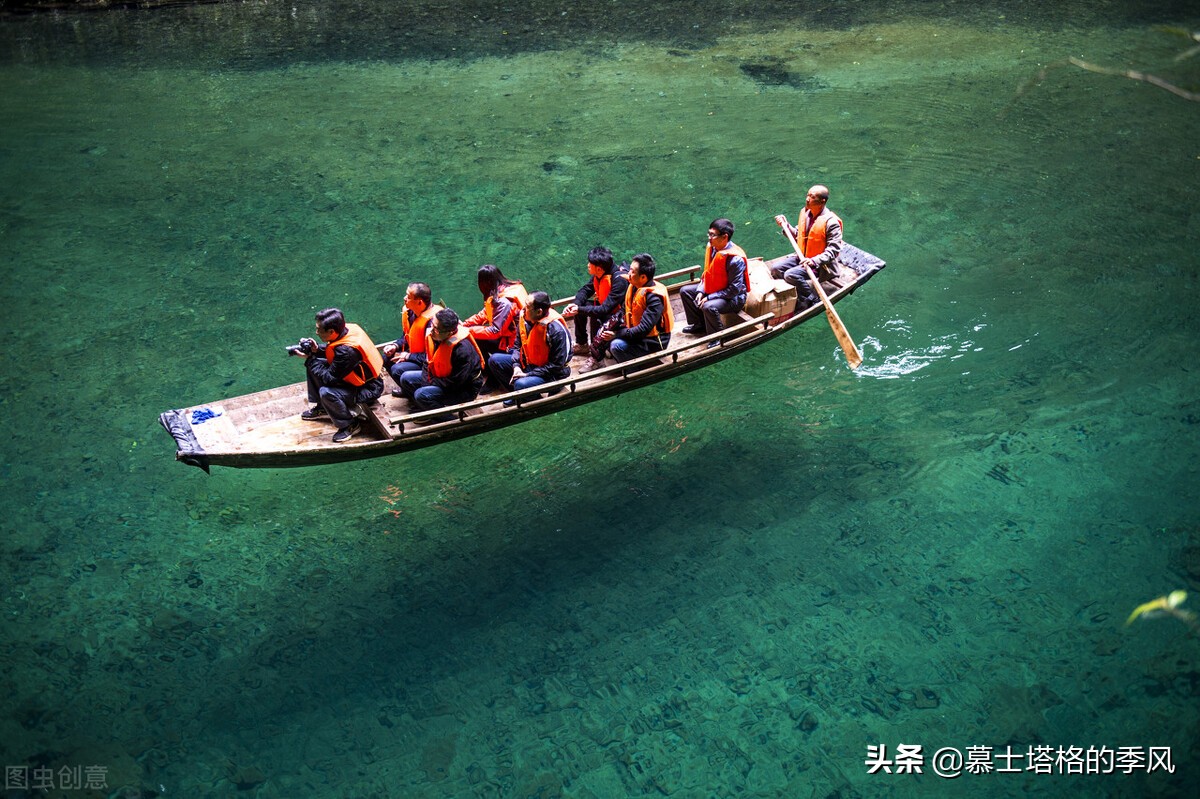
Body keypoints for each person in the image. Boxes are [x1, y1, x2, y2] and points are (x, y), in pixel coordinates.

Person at [293, 307, 385, 443]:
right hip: (355, 379)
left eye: (319, 329)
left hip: (368, 388)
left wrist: (309, 359)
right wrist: (316, 349)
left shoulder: (346, 351)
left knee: (327, 392)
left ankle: (349, 425)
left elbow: (330, 379)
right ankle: (323, 407)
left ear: (331, 331)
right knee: (315, 363)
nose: (316, 332)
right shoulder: (345, 330)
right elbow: (334, 350)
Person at [486, 291, 571, 406]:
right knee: (494, 361)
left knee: (521, 383)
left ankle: (527, 394)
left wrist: (527, 375)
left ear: (539, 312)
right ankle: (520, 394)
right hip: (529, 363)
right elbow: (517, 346)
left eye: (527, 307)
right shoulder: (525, 319)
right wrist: (516, 367)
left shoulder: (556, 331)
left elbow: (557, 365)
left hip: (551, 373)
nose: (524, 309)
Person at [398, 308, 485, 416]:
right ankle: (427, 408)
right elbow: (428, 362)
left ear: (451, 332)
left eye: (436, 329)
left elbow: (456, 382)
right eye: (432, 325)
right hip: (439, 378)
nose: (431, 330)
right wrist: (427, 381)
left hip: (463, 389)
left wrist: (431, 383)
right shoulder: (436, 337)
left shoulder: (462, 351)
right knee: (406, 378)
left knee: (421, 395)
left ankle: (449, 420)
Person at [768, 184, 843, 309]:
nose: (807, 199)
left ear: (822, 201)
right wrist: (786, 226)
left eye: (812, 197)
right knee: (776, 269)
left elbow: (833, 251)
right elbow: (798, 235)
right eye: (807, 195)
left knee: (790, 275)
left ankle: (812, 298)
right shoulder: (806, 213)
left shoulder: (831, 222)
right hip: (802, 256)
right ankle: (797, 289)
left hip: (820, 265)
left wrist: (814, 261)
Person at [679, 217, 748, 338]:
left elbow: (734, 290)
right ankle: (699, 324)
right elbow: (707, 273)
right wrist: (701, 291)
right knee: (686, 291)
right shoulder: (713, 249)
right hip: (715, 287)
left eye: (713, 235)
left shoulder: (735, 260)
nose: (709, 238)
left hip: (733, 298)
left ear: (724, 237)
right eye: (709, 234)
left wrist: (709, 297)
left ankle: (717, 337)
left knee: (708, 306)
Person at [602, 253, 673, 364]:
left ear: (643, 277)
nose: (628, 274)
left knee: (616, 345)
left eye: (632, 271)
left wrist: (617, 334)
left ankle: (633, 371)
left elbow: (643, 329)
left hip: (652, 341)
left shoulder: (654, 298)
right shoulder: (634, 286)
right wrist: (610, 326)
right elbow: (624, 311)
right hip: (637, 334)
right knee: (605, 328)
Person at [561, 246, 629, 357]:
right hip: (606, 309)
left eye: (590, 263)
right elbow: (586, 289)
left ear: (599, 268)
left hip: (618, 316)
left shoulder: (619, 281)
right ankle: (582, 344)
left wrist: (579, 310)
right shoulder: (601, 273)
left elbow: (605, 309)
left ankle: (596, 354)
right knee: (582, 306)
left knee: (594, 316)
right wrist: (576, 304)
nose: (588, 265)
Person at [381, 282, 442, 397]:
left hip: (428, 363)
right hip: (415, 354)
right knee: (386, 358)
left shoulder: (433, 325)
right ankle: (408, 390)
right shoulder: (411, 312)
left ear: (419, 302)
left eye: (408, 297)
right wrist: (395, 346)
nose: (405, 298)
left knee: (397, 369)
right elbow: (407, 336)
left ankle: (417, 396)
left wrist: (408, 356)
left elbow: (433, 357)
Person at [464, 264, 528, 358]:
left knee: (474, 339)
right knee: (476, 334)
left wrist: (468, 330)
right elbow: (484, 314)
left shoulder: (504, 302)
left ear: (486, 283)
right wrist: (464, 324)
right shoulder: (507, 289)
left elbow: (495, 331)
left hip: (515, 345)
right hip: (514, 337)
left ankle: (488, 369)